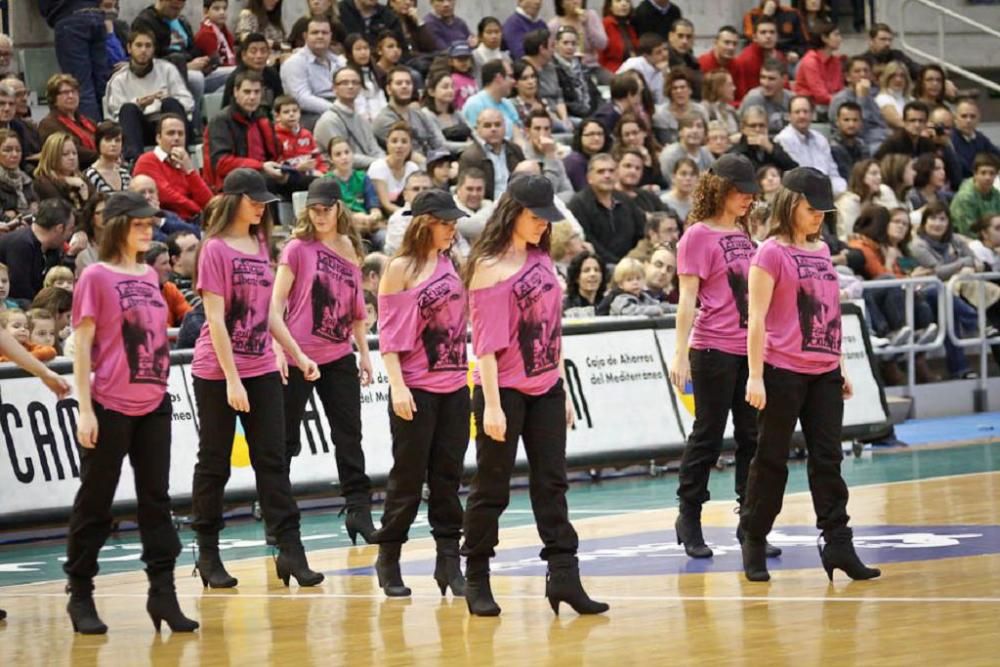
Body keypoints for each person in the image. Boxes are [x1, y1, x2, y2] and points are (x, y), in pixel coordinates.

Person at [461, 173, 608, 617]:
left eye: (547, 219)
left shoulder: (542, 258)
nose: (544, 225)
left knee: (553, 484)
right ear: (512, 213)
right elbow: (484, 344)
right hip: (502, 390)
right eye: (535, 218)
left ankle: (563, 576)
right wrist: (490, 404)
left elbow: (552, 330)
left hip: (547, 386)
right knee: (492, 489)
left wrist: (560, 387)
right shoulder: (488, 265)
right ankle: (477, 576)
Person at [65, 190, 198, 635]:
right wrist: (85, 409)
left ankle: (163, 594)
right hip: (109, 405)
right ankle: (80, 592)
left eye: (150, 223)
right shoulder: (95, 277)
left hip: (154, 402)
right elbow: (82, 348)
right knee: (96, 502)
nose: (148, 229)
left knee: (157, 502)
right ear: (118, 225)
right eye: (140, 223)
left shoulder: (148, 275)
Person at [741, 166, 880, 583]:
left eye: (823, 210)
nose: (819, 216)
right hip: (781, 371)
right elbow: (756, 320)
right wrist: (754, 376)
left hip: (823, 374)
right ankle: (753, 537)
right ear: (790, 204)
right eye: (811, 209)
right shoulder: (769, 252)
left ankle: (838, 543)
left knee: (828, 460)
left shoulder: (820, 251)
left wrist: (839, 365)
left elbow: (830, 314)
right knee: (771, 461)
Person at [189, 169, 324, 590]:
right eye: (254, 200)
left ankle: (291, 550)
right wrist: (232, 379)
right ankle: (208, 552)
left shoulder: (261, 244)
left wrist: (297, 353)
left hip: (263, 366)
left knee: (273, 461)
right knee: (214, 464)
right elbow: (214, 320)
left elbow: (268, 314)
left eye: (265, 200)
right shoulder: (214, 249)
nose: (262, 206)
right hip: (218, 372)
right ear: (233, 200)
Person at [668, 154, 778, 559]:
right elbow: (687, 299)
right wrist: (679, 354)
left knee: (753, 436)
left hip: (747, 349)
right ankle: (689, 515)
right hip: (711, 348)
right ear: (720, 190)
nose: (749, 197)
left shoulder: (745, 233)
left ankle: (750, 523)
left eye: (751, 191)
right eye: (741, 190)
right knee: (708, 435)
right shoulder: (696, 235)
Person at [368, 188, 470, 597]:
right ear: (425, 223)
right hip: (415, 387)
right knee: (407, 479)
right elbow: (389, 337)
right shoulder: (400, 268)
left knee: (449, 478)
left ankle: (448, 562)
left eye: (454, 223)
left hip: (455, 384)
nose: (451, 229)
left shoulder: (452, 262)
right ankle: (388, 557)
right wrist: (397, 386)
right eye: (445, 223)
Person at [271, 179, 376, 546]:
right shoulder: (297, 248)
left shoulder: (349, 247)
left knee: (349, 435)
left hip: (338, 354)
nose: (319, 215)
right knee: (285, 441)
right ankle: (278, 519)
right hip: (298, 354)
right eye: (313, 209)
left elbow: (356, 307)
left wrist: (363, 352)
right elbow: (275, 305)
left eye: (325, 208)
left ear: (337, 208)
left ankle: (359, 510)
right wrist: (281, 350)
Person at [206, 70, 312, 198]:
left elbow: (275, 156)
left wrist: (284, 169)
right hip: (234, 182)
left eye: (256, 92)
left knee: (317, 184)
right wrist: (261, 166)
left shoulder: (261, 118)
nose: (252, 97)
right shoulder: (221, 120)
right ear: (235, 92)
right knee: (266, 185)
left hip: (264, 174)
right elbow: (221, 164)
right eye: (247, 92)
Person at [104, 28, 194, 162]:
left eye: (148, 46)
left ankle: (180, 157)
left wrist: (164, 100)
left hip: (168, 126)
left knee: (171, 103)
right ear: (129, 48)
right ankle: (134, 163)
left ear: (153, 49)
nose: (143, 50)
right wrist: (139, 104)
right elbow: (115, 116)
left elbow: (188, 102)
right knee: (128, 109)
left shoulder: (167, 69)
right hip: (140, 129)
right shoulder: (119, 79)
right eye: (139, 45)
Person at [569, 153, 645, 267]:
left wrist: (633, 259)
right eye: (601, 171)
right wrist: (618, 264)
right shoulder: (578, 204)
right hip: (598, 266)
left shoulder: (625, 200)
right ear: (589, 178)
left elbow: (642, 233)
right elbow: (588, 241)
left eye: (611, 171)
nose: (607, 175)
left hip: (631, 265)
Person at [39, 0, 109, 123]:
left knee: (81, 87)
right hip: (95, 14)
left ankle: (92, 135)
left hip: (69, 17)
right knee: (103, 84)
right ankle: (109, 133)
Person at [133, 114, 212, 222]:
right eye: (171, 133)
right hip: (164, 222)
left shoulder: (184, 162)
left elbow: (208, 201)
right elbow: (167, 196)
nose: (176, 138)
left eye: (181, 134)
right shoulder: (147, 160)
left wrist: (190, 171)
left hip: (193, 220)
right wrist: (198, 210)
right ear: (158, 138)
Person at [314, 65, 386, 170]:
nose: (350, 86)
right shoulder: (329, 120)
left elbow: (374, 148)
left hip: (371, 170)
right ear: (334, 89)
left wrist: (386, 162)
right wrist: (382, 163)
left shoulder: (361, 119)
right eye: (344, 83)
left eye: (355, 82)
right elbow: (342, 157)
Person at [279, 16, 344, 129]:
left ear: (330, 36)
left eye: (324, 33)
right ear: (305, 36)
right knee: (336, 123)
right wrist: (338, 109)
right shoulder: (294, 63)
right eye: (315, 32)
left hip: (339, 106)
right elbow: (302, 99)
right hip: (308, 114)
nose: (320, 36)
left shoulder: (339, 61)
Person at [776, 96, 846, 194]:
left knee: (851, 198)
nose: (802, 116)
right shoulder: (784, 139)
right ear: (789, 116)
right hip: (801, 194)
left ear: (812, 115)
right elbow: (798, 176)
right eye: (797, 112)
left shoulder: (820, 138)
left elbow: (833, 173)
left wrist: (841, 189)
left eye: (805, 111)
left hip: (827, 191)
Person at [374, 67, 447, 159]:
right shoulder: (384, 120)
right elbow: (408, 154)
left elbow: (437, 143)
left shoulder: (420, 114)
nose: (404, 86)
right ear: (388, 89)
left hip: (433, 162)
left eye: (408, 83)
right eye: (399, 83)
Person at [459, 109, 526, 201]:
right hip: (487, 207)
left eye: (498, 125)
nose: (493, 129)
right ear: (478, 129)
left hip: (517, 203)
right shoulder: (470, 157)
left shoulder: (515, 150)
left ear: (505, 127)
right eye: (487, 126)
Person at [829, 56, 890, 151]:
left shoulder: (872, 94)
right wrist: (862, 98)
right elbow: (857, 129)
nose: (863, 74)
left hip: (878, 139)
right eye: (857, 71)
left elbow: (880, 123)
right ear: (848, 77)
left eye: (866, 71)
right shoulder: (840, 99)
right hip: (855, 144)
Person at [39, 74, 99, 169]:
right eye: (65, 93)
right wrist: (102, 156)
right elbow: (70, 150)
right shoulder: (48, 124)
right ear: (54, 98)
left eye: (74, 92)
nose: (71, 96)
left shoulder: (88, 122)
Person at [834, 159, 900, 238]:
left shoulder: (878, 200)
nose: (879, 177)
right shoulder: (848, 202)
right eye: (874, 173)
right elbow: (847, 233)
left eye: (880, 174)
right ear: (861, 177)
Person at [221, 32, 284, 113]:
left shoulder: (273, 74)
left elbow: (280, 104)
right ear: (244, 55)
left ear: (269, 54)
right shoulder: (235, 78)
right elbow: (227, 110)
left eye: (263, 51)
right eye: (253, 51)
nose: (259, 56)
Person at [462, 60, 523, 143]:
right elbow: (479, 140)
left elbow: (519, 134)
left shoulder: (508, 103)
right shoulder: (475, 104)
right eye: (510, 76)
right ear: (499, 78)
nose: (514, 81)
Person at [549, 0, 608, 83]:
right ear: (561, 3)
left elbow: (602, 44)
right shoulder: (554, 25)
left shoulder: (591, 16)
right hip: (567, 70)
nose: (575, 2)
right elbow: (550, 52)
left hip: (592, 67)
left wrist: (587, 24)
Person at [33, 133, 93, 214]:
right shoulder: (43, 182)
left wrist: (86, 195)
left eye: (74, 153)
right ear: (52, 156)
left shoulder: (82, 178)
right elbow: (64, 213)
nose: (72, 157)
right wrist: (65, 181)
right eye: (65, 154)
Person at [368, 122, 420, 216]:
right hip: (387, 218)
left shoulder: (413, 168)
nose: (399, 146)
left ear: (410, 146)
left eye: (404, 141)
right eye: (394, 141)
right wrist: (409, 215)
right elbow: (386, 205)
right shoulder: (378, 167)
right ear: (387, 144)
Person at [522, 110, 574, 200]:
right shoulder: (522, 156)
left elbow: (569, 191)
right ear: (527, 131)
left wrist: (550, 155)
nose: (542, 134)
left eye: (546, 129)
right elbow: (544, 193)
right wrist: (549, 155)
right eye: (537, 129)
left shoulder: (554, 155)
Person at [729, 106, 798, 173]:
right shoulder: (735, 153)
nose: (758, 129)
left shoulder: (773, 147)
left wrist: (771, 148)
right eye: (753, 126)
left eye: (761, 125)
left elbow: (794, 169)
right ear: (743, 128)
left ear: (767, 127)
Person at [791, 21, 844, 107]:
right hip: (809, 106)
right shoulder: (810, 61)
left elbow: (838, 88)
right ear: (824, 38)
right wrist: (841, 102)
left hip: (830, 104)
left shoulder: (835, 61)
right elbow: (820, 95)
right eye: (836, 35)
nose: (840, 39)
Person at [652, 68, 708, 146]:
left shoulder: (700, 110)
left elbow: (705, 137)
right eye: (675, 88)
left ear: (690, 90)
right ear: (670, 92)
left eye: (682, 87)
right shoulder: (660, 114)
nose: (679, 91)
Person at [738, 59, 792, 137]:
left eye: (771, 79)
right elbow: (746, 133)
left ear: (784, 79)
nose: (765, 83)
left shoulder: (792, 99)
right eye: (763, 77)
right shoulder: (753, 99)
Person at [950, 154, 1000, 237]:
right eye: (983, 173)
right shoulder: (965, 197)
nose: (988, 177)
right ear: (975, 174)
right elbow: (968, 231)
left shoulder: (996, 194)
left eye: (992, 173)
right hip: (965, 241)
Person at [952, 99, 1000, 181]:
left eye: (972, 116)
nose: (968, 120)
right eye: (964, 116)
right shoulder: (950, 139)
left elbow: (997, 154)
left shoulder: (980, 137)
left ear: (978, 119)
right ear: (955, 119)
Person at [659, 113, 713, 185]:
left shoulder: (705, 152)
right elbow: (671, 184)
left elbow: (714, 179)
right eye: (689, 126)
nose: (695, 131)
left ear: (705, 132)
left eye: (699, 126)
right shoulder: (670, 155)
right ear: (680, 132)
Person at [617, 34, 669, 106]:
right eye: (658, 52)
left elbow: (662, 102)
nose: (664, 54)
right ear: (646, 56)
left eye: (665, 49)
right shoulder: (633, 65)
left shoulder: (663, 69)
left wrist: (665, 75)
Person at [616, 149, 671, 215]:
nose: (633, 171)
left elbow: (671, 215)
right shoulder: (609, 197)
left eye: (638, 168)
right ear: (616, 168)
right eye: (628, 166)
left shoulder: (648, 196)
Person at [83, 122, 131, 195]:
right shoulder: (90, 176)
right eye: (108, 140)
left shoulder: (125, 174)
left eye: (117, 140)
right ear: (98, 143)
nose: (113, 144)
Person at [0, 130, 37, 222]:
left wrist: (36, 206)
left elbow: (36, 206)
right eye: (7, 150)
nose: (14, 154)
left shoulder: (26, 179)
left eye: (18, 150)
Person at [195, 0, 238, 73]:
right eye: (216, 9)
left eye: (224, 8)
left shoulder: (224, 31)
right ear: (206, 12)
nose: (222, 12)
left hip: (227, 68)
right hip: (212, 71)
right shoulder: (205, 34)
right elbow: (216, 63)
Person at [829, 101, 868, 181]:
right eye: (846, 120)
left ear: (861, 122)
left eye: (855, 120)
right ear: (837, 122)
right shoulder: (832, 148)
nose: (851, 125)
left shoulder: (862, 145)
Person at [599, 0, 638, 75]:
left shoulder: (630, 26)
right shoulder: (606, 24)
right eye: (618, 1)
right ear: (610, 6)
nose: (624, 4)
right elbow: (600, 55)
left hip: (631, 70)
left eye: (627, 1)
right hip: (612, 71)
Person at [562, 250, 606, 315]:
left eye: (597, 270)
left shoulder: (607, 304)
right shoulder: (565, 307)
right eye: (586, 270)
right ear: (576, 278)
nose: (593, 274)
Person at [873, 61, 912, 131]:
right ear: (887, 78)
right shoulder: (882, 99)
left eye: (902, 76)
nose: (898, 80)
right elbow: (899, 122)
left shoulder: (911, 99)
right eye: (893, 76)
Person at [661, 157, 699, 223]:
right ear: (673, 177)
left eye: (692, 174)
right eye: (683, 174)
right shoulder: (663, 202)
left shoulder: (699, 204)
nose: (688, 178)